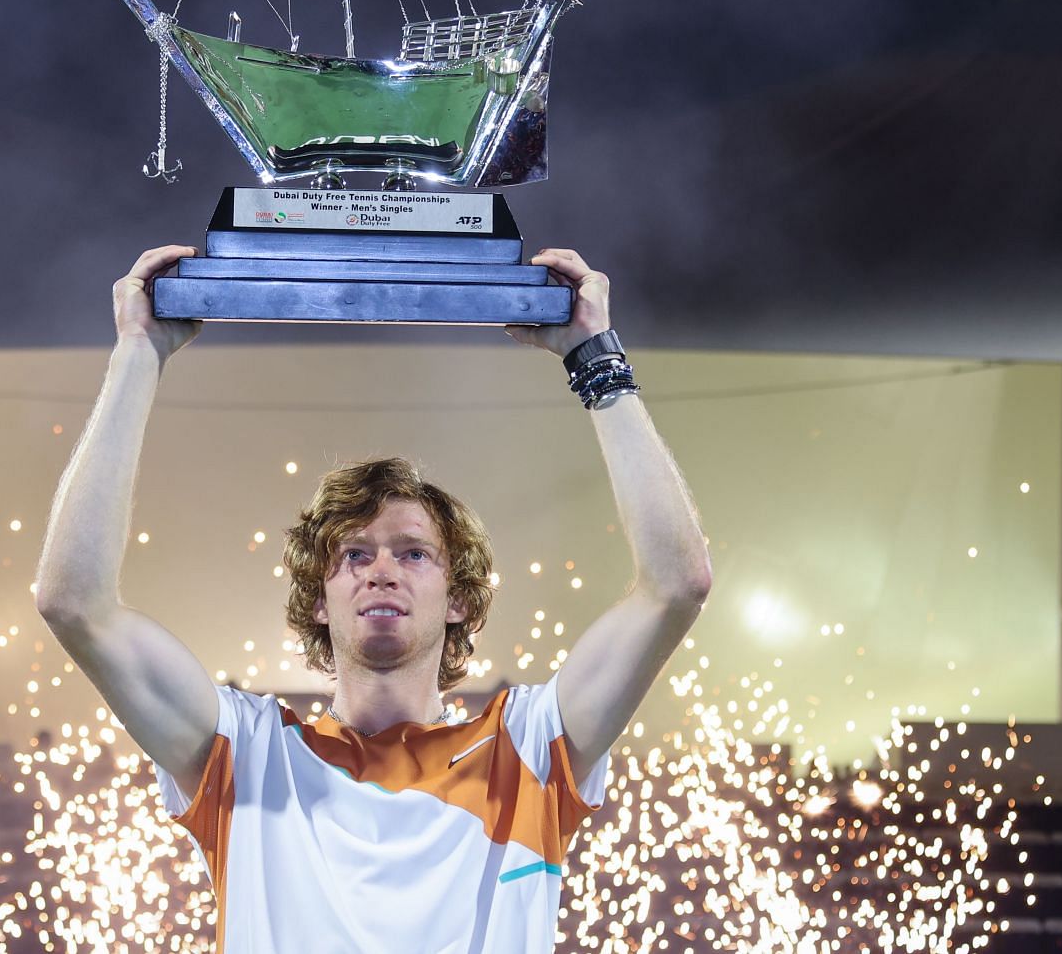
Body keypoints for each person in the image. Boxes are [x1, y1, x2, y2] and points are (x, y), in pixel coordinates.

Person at [37, 244, 711, 953]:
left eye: (413, 552)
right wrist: (137, 351)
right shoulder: (248, 754)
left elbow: (677, 583)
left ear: (459, 599)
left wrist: (596, 359)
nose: (380, 569)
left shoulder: (529, 751)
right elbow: (72, 601)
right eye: (354, 554)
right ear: (319, 600)